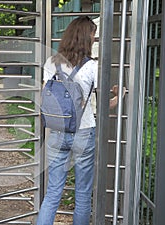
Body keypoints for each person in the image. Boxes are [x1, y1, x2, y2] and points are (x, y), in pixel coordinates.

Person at [37, 16, 122, 225]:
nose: (94, 38)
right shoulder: (93, 67)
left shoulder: (51, 62)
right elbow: (103, 107)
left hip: (57, 132)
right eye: (93, 34)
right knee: (83, 195)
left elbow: (44, 96)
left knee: (52, 193)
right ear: (86, 37)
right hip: (83, 133)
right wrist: (120, 96)